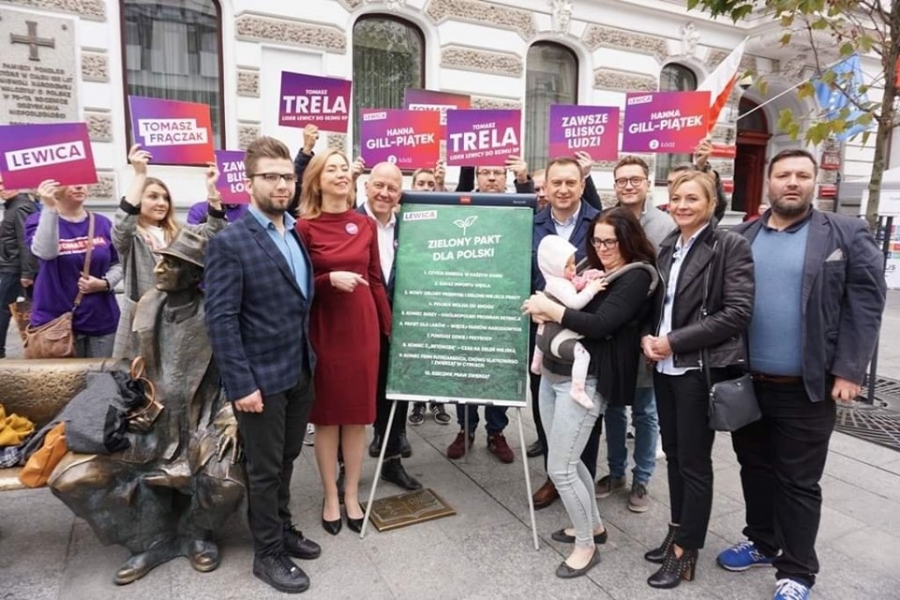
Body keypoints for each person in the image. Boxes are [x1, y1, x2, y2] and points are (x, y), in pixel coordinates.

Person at [716, 149, 886, 600]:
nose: (792, 182)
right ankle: (762, 541)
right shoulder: (742, 235)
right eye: (784, 175)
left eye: (802, 175)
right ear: (768, 182)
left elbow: (866, 305)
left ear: (813, 183)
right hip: (748, 384)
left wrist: (850, 370)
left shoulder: (845, 233)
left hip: (807, 388)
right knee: (754, 468)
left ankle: (797, 571)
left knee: (798, 482)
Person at [50, 228, 246, 586]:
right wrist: (128, 410)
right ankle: (149, 540)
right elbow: (126, 366)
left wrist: (231, 415)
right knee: (71, 479)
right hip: (148, 424)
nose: (159, 268)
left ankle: (195, 532)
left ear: (196, 276)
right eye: (162, 260)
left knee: (227, 483)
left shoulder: (216, 315)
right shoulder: (147, 306)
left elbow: (238, 370)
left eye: (172, 264)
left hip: (200, 424)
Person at [205, 136, 320, 594]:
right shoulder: (230, 242)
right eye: (270, 177)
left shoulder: (295, 232)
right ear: (249, 182)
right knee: (264, 469)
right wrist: (241, 385)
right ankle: (267, 552)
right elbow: (221, 319)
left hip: (299, 371)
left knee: (287, 459)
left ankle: (282, 527)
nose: (281, 185)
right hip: (259, 381)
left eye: (287, 177)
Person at [523, 204, 659, 579]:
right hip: (553, 372)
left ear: (628, 239)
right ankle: (594, 526)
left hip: (587, 378)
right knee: (569, 460)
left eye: (610, 241)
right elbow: (562, 300)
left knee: (560, 468)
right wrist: (546, 309)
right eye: (597, 241)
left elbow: (601, 324)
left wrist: (550, 309)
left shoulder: (636, 276)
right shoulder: (589, 266)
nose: (602, 248)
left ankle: (586, 546)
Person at [640, 171, 754, 588]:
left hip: (696, 369)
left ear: (711, 203)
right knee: (674, 455)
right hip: (664, 367)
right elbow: (659, 304)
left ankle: (686, 550)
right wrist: (648, 337)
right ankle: (676, 530)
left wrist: (673, 341)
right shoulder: (669, 244)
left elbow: (737, 312)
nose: (682, 205)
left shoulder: (729, 245)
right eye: (676, 198)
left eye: (692, 198)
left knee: (694, 462)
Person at [297, 149, 392, 537]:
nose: (340, 174)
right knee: (326, 418)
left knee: (357, 417)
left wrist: (389, 329)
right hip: (325, 328)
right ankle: (330, 497)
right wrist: (327, 280)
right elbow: (297, 283)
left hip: (362, 328)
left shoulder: (364, 224)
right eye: (331, 169)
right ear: (317, 181)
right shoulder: (304, 227)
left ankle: (352, 494)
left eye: (343, 168)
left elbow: (375, 279)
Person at [595, 155, 675, 513]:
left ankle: (642, 478)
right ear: (615, 185)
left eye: (635, 179)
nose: (628, 185)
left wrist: (653, 333)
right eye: (622, 180)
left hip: (646, 334)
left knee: (644, 411)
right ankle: (616, 473)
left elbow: (668, 287)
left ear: (648, 182)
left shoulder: (666, 225)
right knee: (613, 408)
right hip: (612, 333)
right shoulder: (608, 219)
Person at [446, 156, 535, 464]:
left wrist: (524, 181)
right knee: (465, 368)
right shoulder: (464, 205)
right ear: (477, 177)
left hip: (505, 302)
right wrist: (465, 160)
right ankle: (465, 428)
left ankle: (496, 431)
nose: (492, 178)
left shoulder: (517, 206)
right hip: (468, 300)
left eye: (498, 173)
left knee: (501, 369)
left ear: (506, 177)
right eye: (485, 172)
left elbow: (533, 209)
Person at [530, 157, 601, 509]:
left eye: (570, 182)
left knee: (583, 413)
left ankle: (582, 480)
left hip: (586, 334)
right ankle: (553, 475)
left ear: (582, 185)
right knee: (545, 409)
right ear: (545, 187)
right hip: (542, 334)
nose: (562, 189)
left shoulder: (599, 222)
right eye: (555, 182)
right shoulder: (531, 222)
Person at [111, 144, 226, 358]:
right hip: (141, 323)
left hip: (178, 320)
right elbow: (123, 225)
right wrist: (139, 175)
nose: (161, 203)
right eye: (153, 197)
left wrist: (212, 191)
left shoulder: (178, 231)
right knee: (140, 375)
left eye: (165, 198)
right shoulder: (132, 238)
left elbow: (215, 232)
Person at [359, 161, 421, 491]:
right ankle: (346, 467)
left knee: (395, 394)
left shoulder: (411, 227)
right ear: (366, 186)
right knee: (354, 398)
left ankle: (391, 461)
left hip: (398, 327)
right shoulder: (350, 223)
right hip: (358, 329)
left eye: (392, 188)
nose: (384, 193)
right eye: (379, 185)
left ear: (400, 194)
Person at [26, 181, 122, 358]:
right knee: (61, 377)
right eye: (71, 182)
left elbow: (119, 262)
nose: (79, 186)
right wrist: (50, 207)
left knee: (103, 375)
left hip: (100, 318)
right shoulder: (37, 221)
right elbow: (46, 252)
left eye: (83, 181)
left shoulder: (102, 223)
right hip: (54, 321)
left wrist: (105, 283)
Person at [532, 234, 607, 408]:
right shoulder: (559, 284)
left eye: (574, 263)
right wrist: (592, 289)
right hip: (556, 338)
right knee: (582, 354)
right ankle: (578, 388)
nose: (573, 268)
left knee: (542, 333)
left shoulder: (554, 281)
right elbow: (574, 303)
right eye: (567, 265)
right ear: (554, 266)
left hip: (543, 337)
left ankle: (536, 363)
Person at [407, 163, 452, 427]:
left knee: (439, 349)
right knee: (417, 352)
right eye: (421, 184)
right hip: (415, 292)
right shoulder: (404, 215)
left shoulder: (443, 214)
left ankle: (438, 401)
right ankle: (416, 402)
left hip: (440, 291)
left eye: (430, 184)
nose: (426, 188)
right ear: (412, 186)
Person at [0, 175, 39, 358]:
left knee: (4, 308)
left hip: (15, 268)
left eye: (3, 183)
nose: (0, 188)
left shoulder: (20, 206)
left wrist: (27, 273)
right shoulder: (12, 206)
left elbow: (26, 241)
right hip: (12, 265)